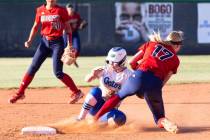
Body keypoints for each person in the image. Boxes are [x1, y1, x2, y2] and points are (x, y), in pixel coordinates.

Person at [93, 31, 184, 133]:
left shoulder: (152, 43)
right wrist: (150, 90)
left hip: (139, 76)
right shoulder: (176, 60)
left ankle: (94, 119)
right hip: (155, 84)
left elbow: (132, 62)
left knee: (118, 96)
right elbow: (164, 80)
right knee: (159, 117)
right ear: (178, 45)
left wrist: (140, 78)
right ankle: (165, 122)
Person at [8, 0, 84, 104]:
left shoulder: (61, 10)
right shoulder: (40, 10)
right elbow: (35, 26)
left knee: (58, 72)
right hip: (44, 42)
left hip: (57, 43)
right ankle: (20, 93)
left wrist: (69, 44)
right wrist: (30, 40)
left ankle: (77, 92)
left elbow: (68, 28)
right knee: (33, 67)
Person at [77, 47, 132, 127]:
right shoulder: (105, 69)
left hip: (110, 108)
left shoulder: (128, 75)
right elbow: (87, 80)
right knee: (95, 91)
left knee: (120, 118)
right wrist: (92, 75)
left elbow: (134, 90)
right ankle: (80, 119)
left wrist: (116, 94)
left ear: (122, 61)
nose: (110, 64)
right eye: (109, 61)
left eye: (114, 62)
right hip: (96, 106)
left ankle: (100, 122)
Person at [63, 3, 87, 67]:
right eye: (69, 8)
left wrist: (83, 23)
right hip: (66, 34)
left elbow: (82, 21)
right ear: (67, 9)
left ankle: (73, 59)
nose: (70, 9)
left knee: (78, 48)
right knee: (64, 48)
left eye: (71, 8)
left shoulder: (76, 15)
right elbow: (62, 24)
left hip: (74, 33)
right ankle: (63, 60)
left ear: (73, 9)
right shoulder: (65, 15)